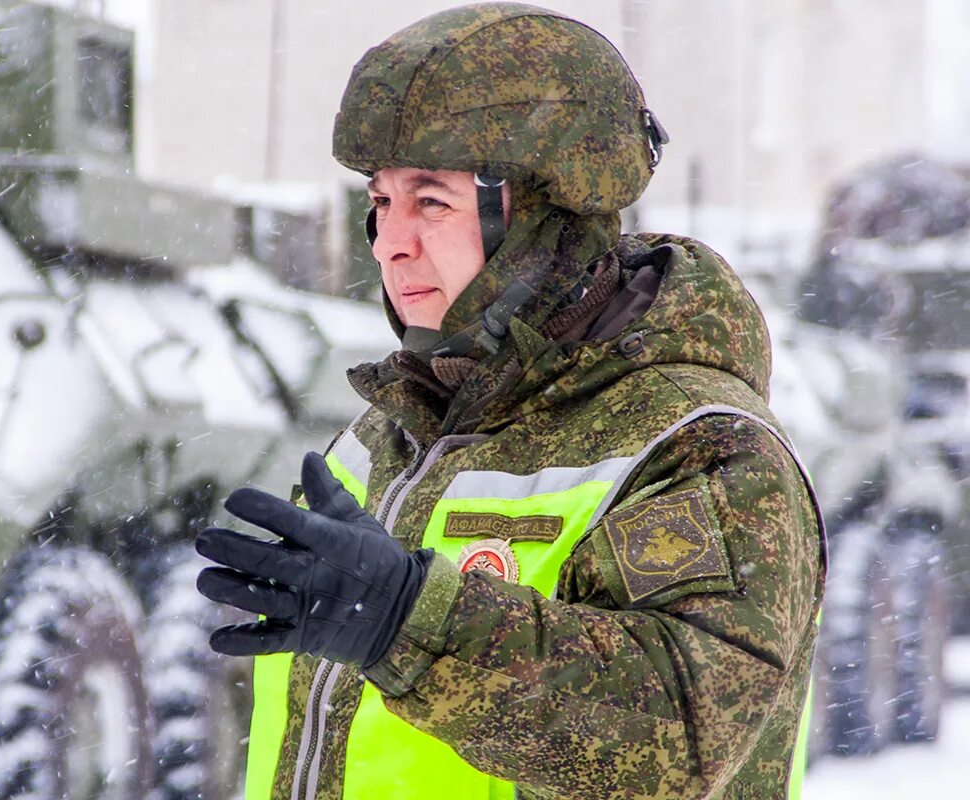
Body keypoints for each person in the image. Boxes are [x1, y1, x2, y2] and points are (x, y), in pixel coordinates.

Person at [195, 4, 825, 799]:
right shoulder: (391, 434)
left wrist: (408, 623)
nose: (391, 240)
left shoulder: (694, 445)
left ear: (543, 222)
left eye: (432, 202)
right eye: (381, 202)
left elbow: (677, 733)